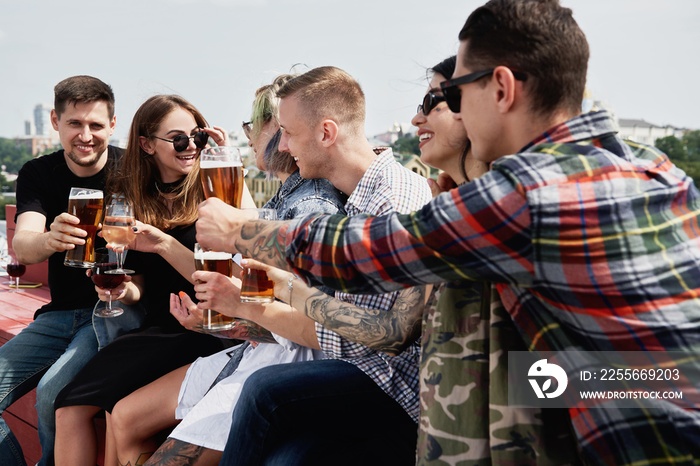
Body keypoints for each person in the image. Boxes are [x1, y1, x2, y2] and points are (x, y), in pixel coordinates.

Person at [196, 1, 700, 464]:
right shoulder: (656, 170)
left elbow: (370, 251)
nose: (447, 111)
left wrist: (242, 231)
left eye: (453, 94)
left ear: (501, 88)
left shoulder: (525, 193)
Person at [184, 66, 433, 466]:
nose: (282, 144)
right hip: (363, 377)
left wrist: (249, 293)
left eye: (288, 132)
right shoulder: (358, 199)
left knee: (263, 390)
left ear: (327, 133)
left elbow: (370, 339)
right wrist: (277, 287)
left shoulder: (392, 201)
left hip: (394, 390)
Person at [106, 74, 346, 466]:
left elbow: (304, 328)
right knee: (123, 418)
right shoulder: (287, 195)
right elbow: (251, 281)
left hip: (276, 365)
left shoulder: (309, 207)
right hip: (249, 352)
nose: (250, 136)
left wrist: (224, 320)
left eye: (258, 125)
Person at [52, 95, 233, 466]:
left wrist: (227, 162)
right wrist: (119, 289)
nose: (191, 148)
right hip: (159, 328)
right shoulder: (133, 199)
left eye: (197, 137)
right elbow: (139, 287)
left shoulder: (217, 193)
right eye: (178, 139)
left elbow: (220, 280)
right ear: (146, 144)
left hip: (206, 331)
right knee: (67, 408)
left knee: (114, 411)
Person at [1, 75, 120, 466]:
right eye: (75, 123)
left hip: (108, 315)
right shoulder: (38, 172)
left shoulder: (131, 169)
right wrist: (51, 238)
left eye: (96, 125)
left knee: (53, 392)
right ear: (55, 121)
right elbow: (24, 241)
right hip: (57, 315)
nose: (85, 135)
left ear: (112, 125)